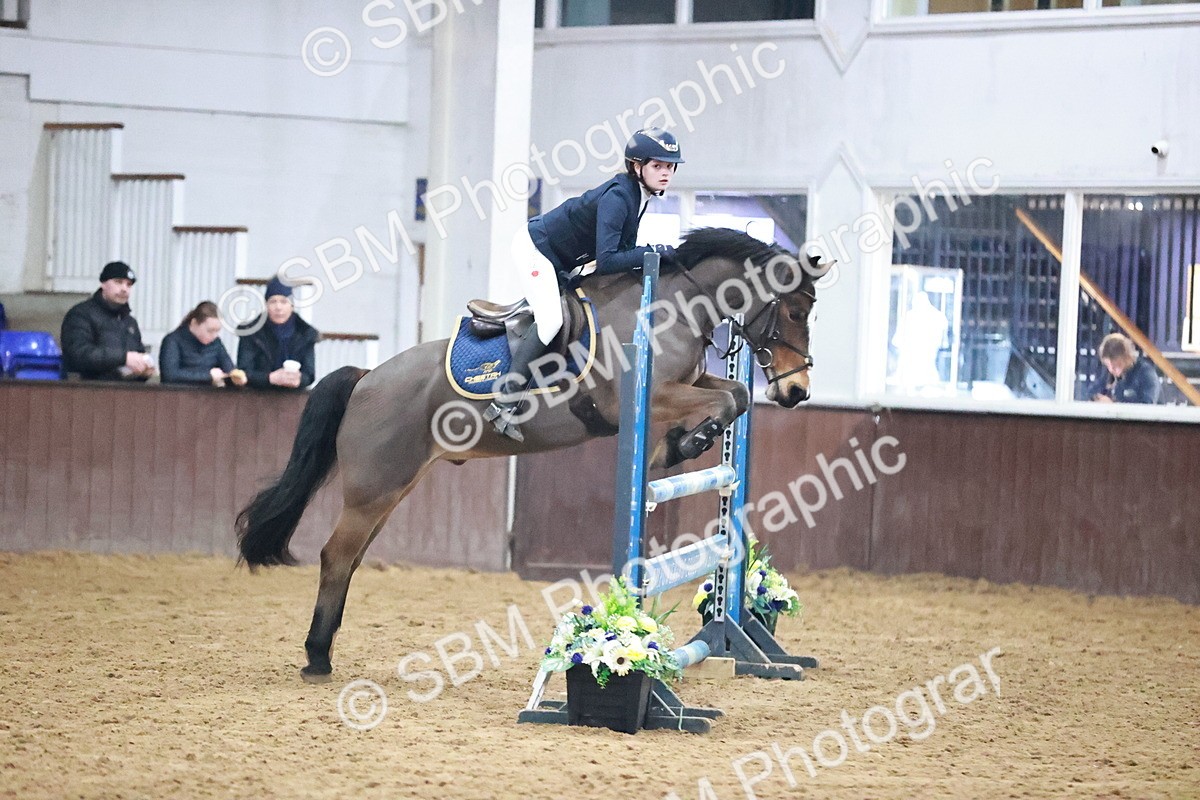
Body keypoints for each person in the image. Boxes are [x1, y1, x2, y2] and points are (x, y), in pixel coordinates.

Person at [484, 127, 684, 440]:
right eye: (658, 166)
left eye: (670, 167)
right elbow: (607, 260)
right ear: (636, 166)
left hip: (561, 259)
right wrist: (653, 252)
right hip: (536, 249)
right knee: (550, 321)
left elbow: (622, 254)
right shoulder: (619, 197)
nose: (666, 173)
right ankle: (504, 402)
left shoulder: (639, 196)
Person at [60, 261, 155, 381]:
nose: (124, 289)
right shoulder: (81, 314)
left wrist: (144, 370)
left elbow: (138, 355)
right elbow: (79, 354)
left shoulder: (130, 322)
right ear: (103, 284)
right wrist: (124, 358)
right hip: (88, 391)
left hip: (126, 393)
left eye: (128, 285)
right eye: (118, 282)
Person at [236, 277, 319, 389]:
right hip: (257, 396)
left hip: (293, 398)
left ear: (292, 306)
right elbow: (243, 372)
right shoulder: (251, 333)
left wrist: (299, 379)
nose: (278, 307)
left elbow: (309, 374)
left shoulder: (306, 334)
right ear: (266, 305)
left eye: (284, 301)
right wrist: (270, 378)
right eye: (273, 301)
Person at [160, 301, 247, 387]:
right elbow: (170, 375)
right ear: (194, 323)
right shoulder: (173, 341)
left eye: (217, 331)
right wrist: (208, 376)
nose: (214, 335)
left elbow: (228, 368)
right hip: (178, 395)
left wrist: (236, 378)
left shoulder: (216, 343)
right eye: (210, 330)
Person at [1088, 332, 1161, 405]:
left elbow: (1148, 406)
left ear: (1127, 358)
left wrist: (1113, 405)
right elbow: (1092, 392)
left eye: (1117, 365)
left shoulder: (1146, 374)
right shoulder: (1109, 375)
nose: (1111, 370)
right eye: (1108, 365)